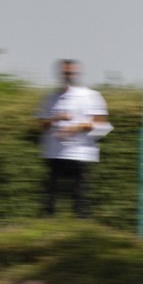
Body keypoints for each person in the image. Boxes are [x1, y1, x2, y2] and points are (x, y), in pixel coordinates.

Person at [35, 59, 111, 218]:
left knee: (81, 193)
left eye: (70, 72)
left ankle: (82, 225)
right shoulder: (49, 98)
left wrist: (77, 127)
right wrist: (55, 118)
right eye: (65, 72)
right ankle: (46, 223)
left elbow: (102, 124)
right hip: (54, 153)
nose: (67, 76)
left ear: (77, 74)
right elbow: (40, 126)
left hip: (81, 153)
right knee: (50, 192)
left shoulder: (91, 95)